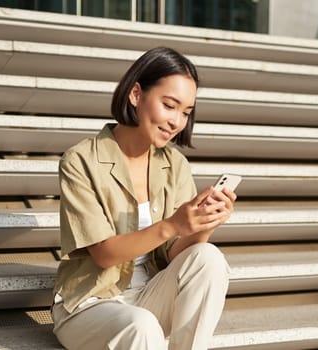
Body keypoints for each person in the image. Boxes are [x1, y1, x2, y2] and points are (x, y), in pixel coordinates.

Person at [51, 47, 235, 350]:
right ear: (136, 95)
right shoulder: (81, 160)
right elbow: (104, 254)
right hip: (91, 304)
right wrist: (173, 224)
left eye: (186, 112)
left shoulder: (174, 164)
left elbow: (175, 254)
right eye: (169, 105)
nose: (177, 121)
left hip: (149, 294)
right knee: (142, 326)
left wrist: (204, 223)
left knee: (209, 258)